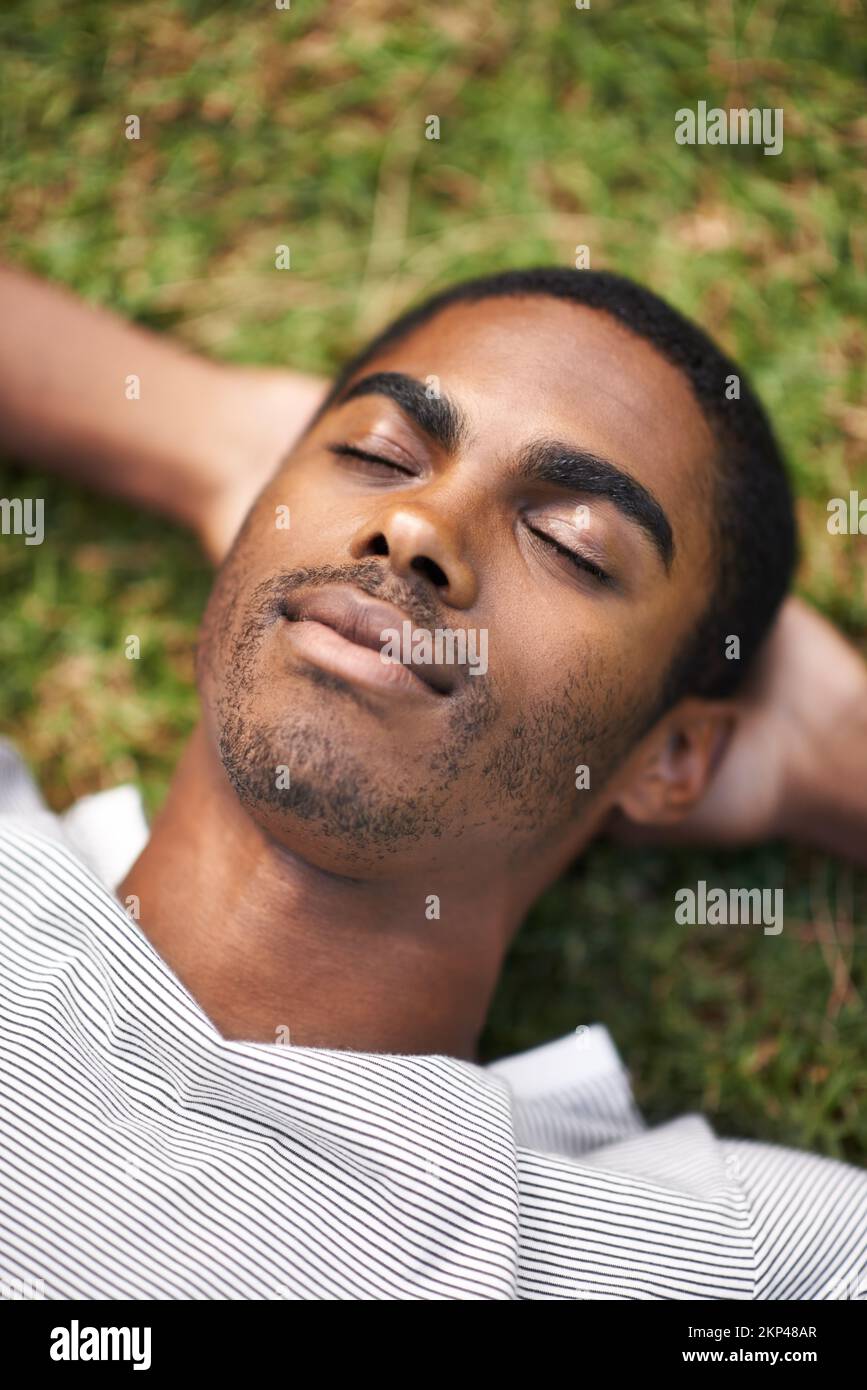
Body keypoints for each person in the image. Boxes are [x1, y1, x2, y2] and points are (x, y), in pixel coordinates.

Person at [0, 264, 865, 1301]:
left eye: (571, 545)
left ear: (671, 759)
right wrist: (212, 439)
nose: (418, 526)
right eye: (376, 455)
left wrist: (839, 746)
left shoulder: (723, 1263)